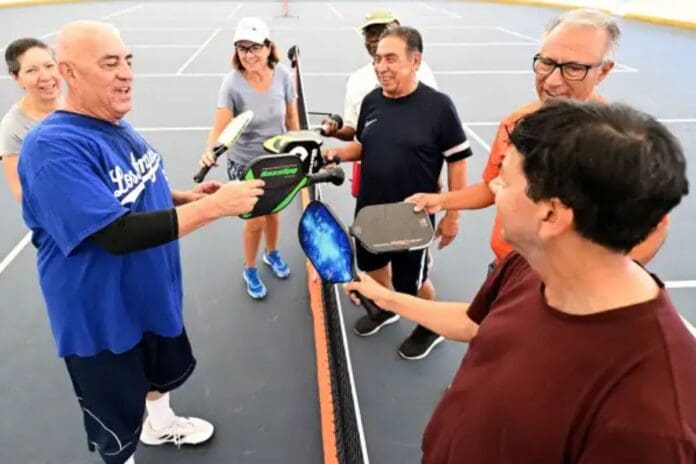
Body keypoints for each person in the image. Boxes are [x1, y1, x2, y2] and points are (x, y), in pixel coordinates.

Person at [346, 99, 695, 462]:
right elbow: (474, 323)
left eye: (506, 179)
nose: (493, 187)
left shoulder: (653, 422)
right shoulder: (528, 265)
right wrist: (384, 297)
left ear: (551, 215)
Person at [18, 21, 264, 464]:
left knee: (157, 375)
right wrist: (214, 207)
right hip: (103, 319)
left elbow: (129, 187)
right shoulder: (51, 148)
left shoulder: (113, 123)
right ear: (70, 74)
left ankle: (162, 425)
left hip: (148, 295)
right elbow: (114, 232)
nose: (126, 72)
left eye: (128, 60)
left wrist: (184, 198)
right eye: (110, 63)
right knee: (116, 422)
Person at [407, 8, 669, 271]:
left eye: (574, 68)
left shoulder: (624, 144)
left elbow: (655, 228)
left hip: (566, 288)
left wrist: (598, 281)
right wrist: (441, 201)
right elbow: (492, 186)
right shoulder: (515, 124)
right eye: (547, 63)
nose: (553, 82)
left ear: (603, 72)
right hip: (505, 270)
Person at [325, 26, 472, 360]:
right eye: (378, 59)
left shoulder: (438, 107)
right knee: (373, 266)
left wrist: (452, 215)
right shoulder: (372, 100)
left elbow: (458, 162)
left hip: (412, 220)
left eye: (391, 58)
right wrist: (334, 153)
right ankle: (387, 308)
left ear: (415, 61)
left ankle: (429, 326)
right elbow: (365, 145)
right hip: (370, 213)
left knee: (413, 283)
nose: (381, 67)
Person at [201, 17, 300, 300]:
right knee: (255, 219)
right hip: (246, 163)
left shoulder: (282, 75)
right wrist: (210, 149)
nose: (249, 54)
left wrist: (298, 148)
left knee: (274, 211)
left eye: (255, 47)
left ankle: (272, 253)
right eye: (243, 48)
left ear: (268, 47)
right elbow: (220, 127)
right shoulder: (231, 84)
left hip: (277, 160)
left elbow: (291, 117)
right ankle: (250, 268)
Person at [321, 8, 438, 141]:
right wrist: (334, 131)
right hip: (369, 160)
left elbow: (434, 115)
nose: (374, 40)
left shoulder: (419, 70)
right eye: (369, 34)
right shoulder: (357, 80)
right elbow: (352, 128)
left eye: (381, 32)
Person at [1, 38, 61, 202]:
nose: (45, 76)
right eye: (31, 70)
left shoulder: (78, 105)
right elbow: (21, 192)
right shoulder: (13, 128)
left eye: (49, 66)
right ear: (16, 77)